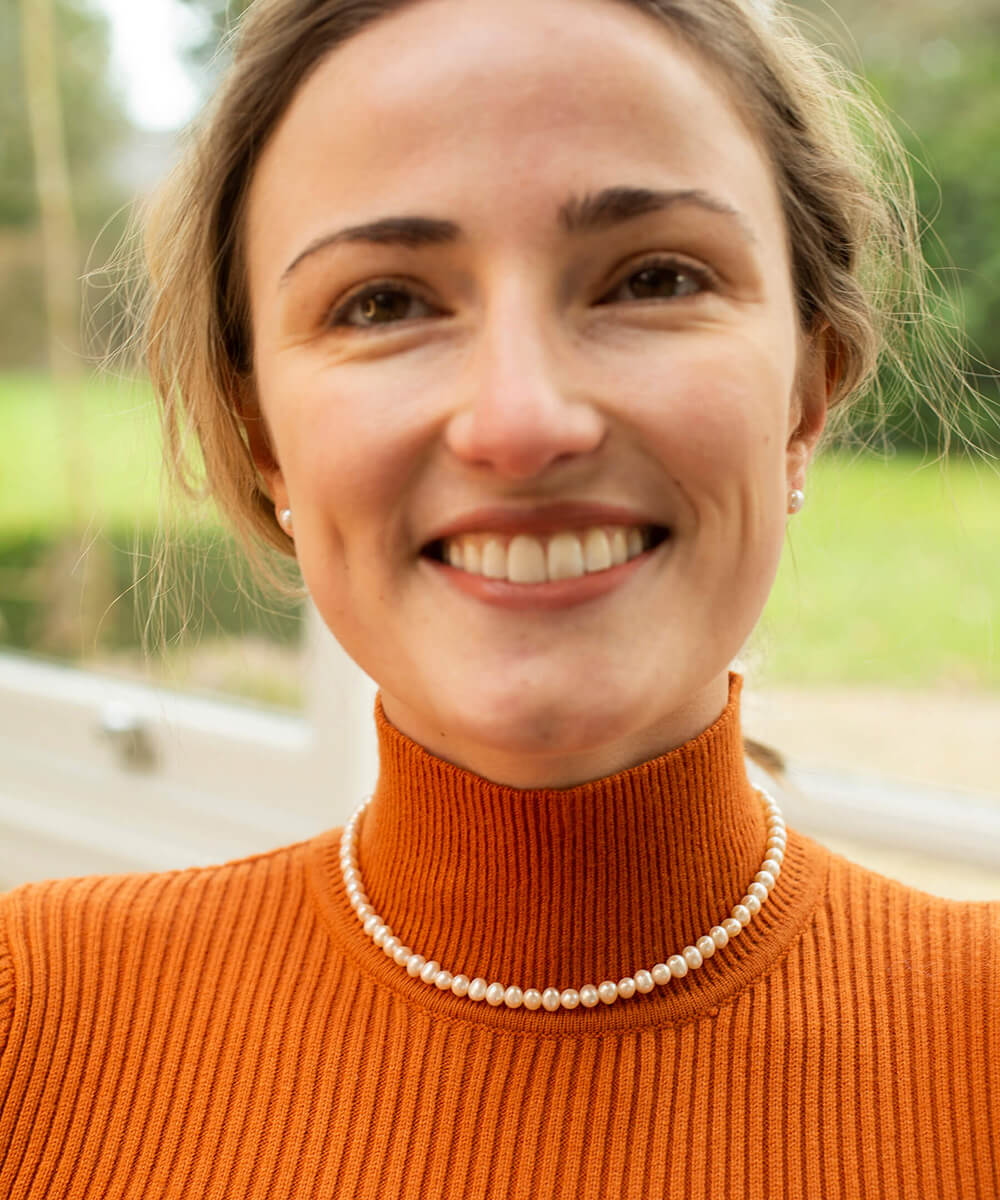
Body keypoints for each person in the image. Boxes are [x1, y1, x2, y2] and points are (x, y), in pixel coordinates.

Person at [1, 0, 997, 1196]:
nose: (521, 422)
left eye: (652, 277)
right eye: (384, 303)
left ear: (806, 393)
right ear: (264, 435)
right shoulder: (34, 1020)